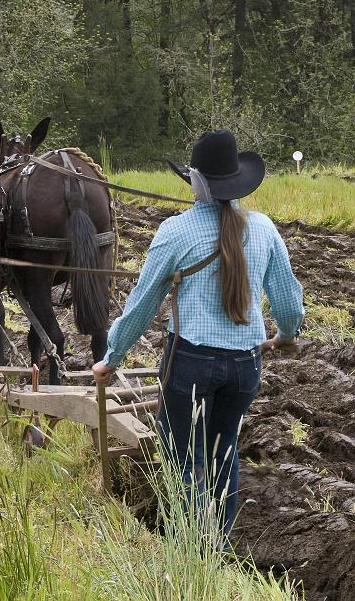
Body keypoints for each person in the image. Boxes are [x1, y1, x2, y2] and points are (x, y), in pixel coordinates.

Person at [91, 130, 304, 541]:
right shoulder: (262, 228)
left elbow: (142, 303)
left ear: (198, 182)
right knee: (225, 456)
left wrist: (112, 357)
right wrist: (286, 334)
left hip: (190, 362)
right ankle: (217, 547)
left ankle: (187, 550)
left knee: (182, 458)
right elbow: (289, 302)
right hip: (246, 366)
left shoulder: (177, 231)